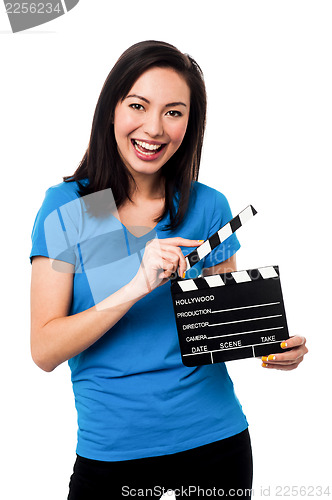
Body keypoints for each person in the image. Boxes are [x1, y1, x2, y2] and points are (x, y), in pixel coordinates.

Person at [29, 40, 308, 499]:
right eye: (138, 105)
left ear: (190, 124)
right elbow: (44, 350)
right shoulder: (74, 208)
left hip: (216, 444)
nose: (154, 128)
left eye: (174, 112)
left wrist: (267, 347)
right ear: (111, 110)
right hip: (112, 456)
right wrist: (136, 285)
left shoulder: (206, 206)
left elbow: (218, 332)